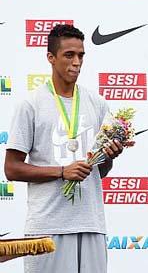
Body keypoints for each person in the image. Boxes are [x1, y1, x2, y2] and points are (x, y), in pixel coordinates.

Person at [4, 24, 123, 273]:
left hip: (91, 223)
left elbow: (99, 172)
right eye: (69, 55)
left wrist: (110, 156)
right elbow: (12, 169)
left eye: (81, 55)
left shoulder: (97, 103)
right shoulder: (31, 104)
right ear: (51, 58)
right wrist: (61, 171)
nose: (76, 62)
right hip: (47, 226)